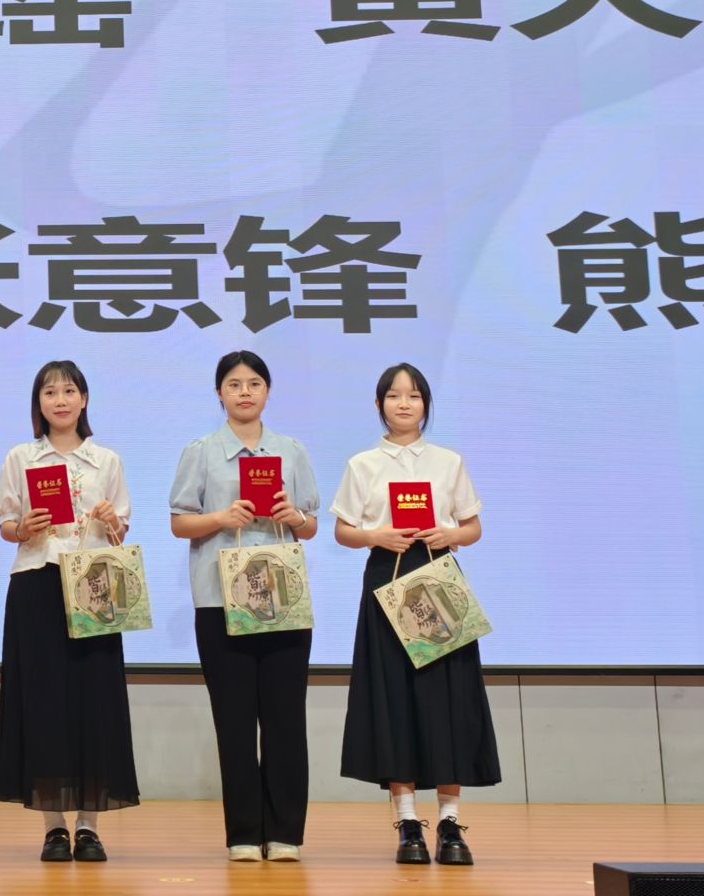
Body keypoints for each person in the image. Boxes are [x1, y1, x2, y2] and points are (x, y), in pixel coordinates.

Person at [332, 362, 499, 866]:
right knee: (394, 699)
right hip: (387, 575)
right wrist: (375, 535)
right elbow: (343, 531)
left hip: (439, 574)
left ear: (426, 403)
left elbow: (472, 527)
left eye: (414, 395)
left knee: (448, 698)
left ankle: (449, 823)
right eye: (393, 395)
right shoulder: (363, 464)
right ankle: (407, 822)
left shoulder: (448, 461)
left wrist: (451, 534)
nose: (403, 403)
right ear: (379, 404)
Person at [168, 350, 320, 863]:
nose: (244, 392)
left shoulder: (292, 451)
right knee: (234, 721)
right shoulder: (201, 452)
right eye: (234, 384)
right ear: (219, 393)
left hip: (283, 600)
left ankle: (285, 833)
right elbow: (179, 522)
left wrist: (293, 516)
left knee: (285, 719)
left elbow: (311, 525)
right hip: (220, 601)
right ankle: (243, 834)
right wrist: (221, 517)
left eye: (254, 383)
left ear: (268, 391)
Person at [0, 360, 137, 864]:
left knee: (95, 702)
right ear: (39, 403)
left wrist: (112, 519)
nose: (60, 400)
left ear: (84, 399)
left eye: (69, 391)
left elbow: (120, 530)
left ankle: (90, 827)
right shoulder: (21, 457)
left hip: (94, 584)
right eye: (50, 392)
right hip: (36, 582)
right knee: (44, 702)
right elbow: (6, 525)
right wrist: (23, 528)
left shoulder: (106, 460)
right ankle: (53, 827)